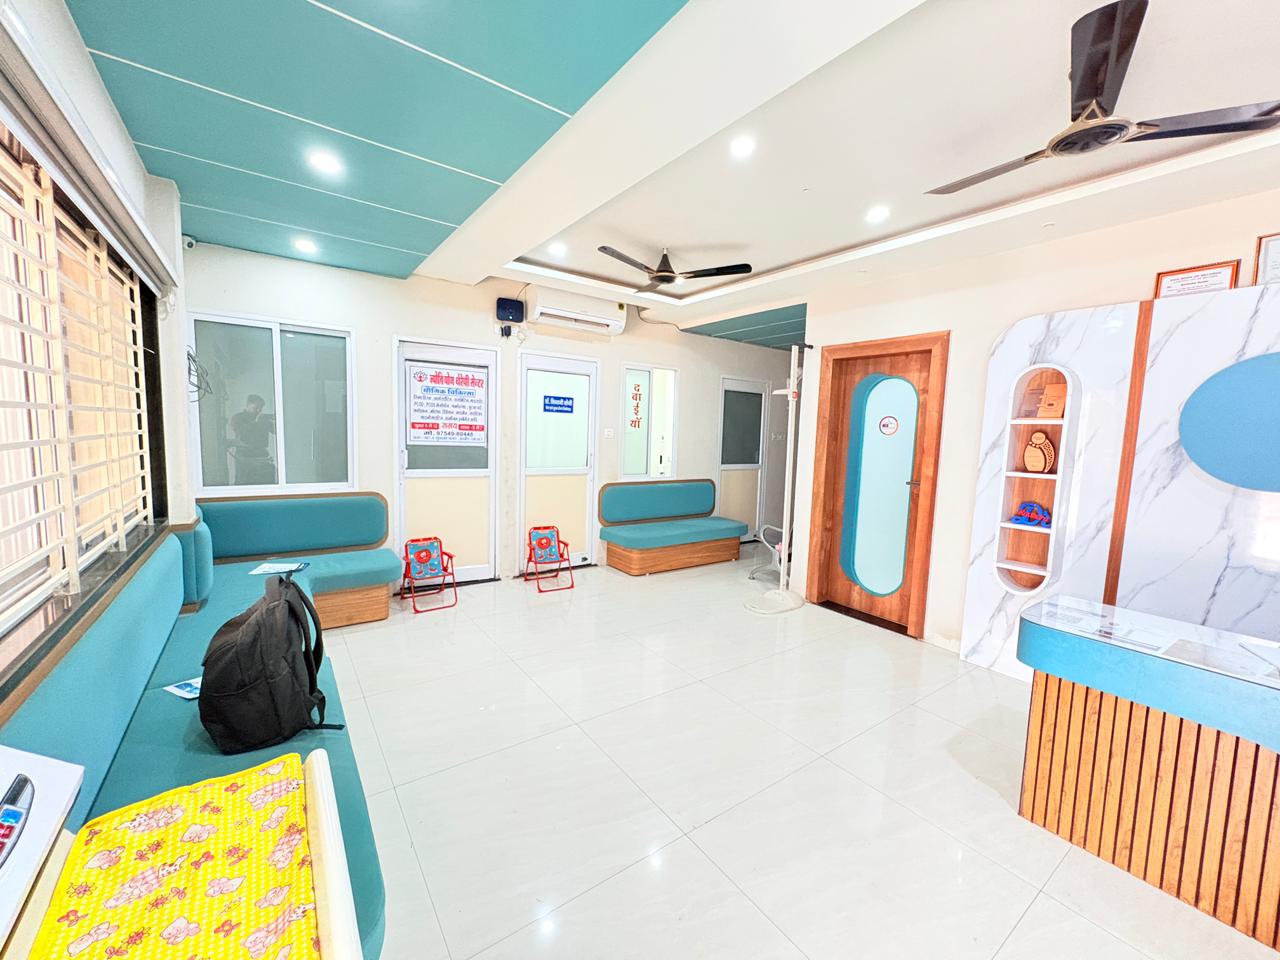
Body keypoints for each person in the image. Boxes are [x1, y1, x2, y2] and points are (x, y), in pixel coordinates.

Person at [228, 394, 276, 484]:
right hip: (244, 457)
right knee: (244, 483)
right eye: (256, 408)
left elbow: (276, 431)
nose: (258, 410)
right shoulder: (237, 418)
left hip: (261, 455)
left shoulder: (262, 419)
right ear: (247, 405)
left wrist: (278, 419)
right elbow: (242, 434)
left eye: (260, 408)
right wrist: (256, 422)